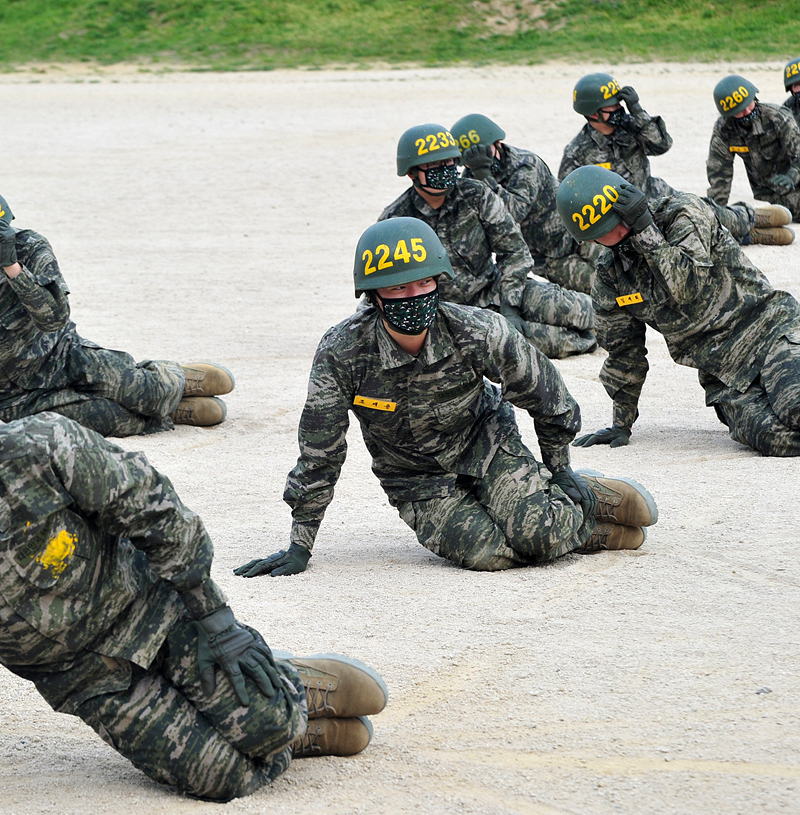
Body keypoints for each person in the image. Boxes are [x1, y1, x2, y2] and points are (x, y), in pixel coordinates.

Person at [0, 357, 389, 815]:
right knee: (222, 780)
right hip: (85, 677)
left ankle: (297, 691)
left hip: (159, 612)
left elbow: (154, 508)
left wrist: (217, 621)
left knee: (265, 721)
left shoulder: (40, 446)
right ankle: (286, 731)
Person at [234, 218, 658, 579]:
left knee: (538, 534)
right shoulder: (342, 351)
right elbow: (320, 450)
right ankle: (581, 527)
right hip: (415, 478)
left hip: (488, 448)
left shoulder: (476, 330)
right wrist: (300, 543)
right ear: (374, 295)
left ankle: (577, 494)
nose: (413, 297)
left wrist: (560, 468)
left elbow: (548, 396)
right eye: (397, 290)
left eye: (423, 283)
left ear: (440, 282)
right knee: (487, 555)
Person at [557, 166, 800, 456]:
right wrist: (621, 420)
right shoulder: (611, 276)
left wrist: (645, 232)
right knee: (768, 436)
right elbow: (623, 351)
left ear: (628, 204)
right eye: (598, 234)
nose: (612, 236)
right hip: (724, 371)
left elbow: (688, 287)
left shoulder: (682, 214)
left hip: (771, 332)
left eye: (614, 223)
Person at [0, 178, 235, 436]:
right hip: (9, 396)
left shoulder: (30, 247)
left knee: (146, 392)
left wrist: (13, 269)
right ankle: (168, 413)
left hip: (64, 357)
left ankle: (173, 380)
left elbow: (55, 318)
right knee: (108, 420)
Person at [377, 124, 596, 358]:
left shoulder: (476, 195)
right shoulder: (396, 221)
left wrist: (510, 305)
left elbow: (514, 251)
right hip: (454, 313)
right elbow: (382, 286)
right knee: (545, 343)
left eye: (450, 162)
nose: (444, 170)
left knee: (585, 311)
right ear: (411, 173)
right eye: (433, 166)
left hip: (498, 288)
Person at [561, 73, 793, 245]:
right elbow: (572, 201)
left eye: (620, 104)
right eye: (611, 107)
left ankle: (749, 216)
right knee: (680, 238)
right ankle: (749, 236)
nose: (618, 110)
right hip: (622, 220)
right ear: (593, 113)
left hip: (654, 194)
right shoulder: (577, 152)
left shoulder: (630, 127)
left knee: (699, 210)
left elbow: (662, 144)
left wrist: (637, 111)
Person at [451, 113, 592, 294]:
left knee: (617, 277)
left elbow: (514, 212)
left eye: (484, 154)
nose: (478, 162)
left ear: (498, 145)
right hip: (548, 257)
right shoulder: (473, 180)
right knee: (595, 288)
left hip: (580, 234)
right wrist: (482, 176)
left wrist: (485, 177)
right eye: (470, 162)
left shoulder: (526, 164)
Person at [708, 75, 800, 223]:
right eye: (740, 110)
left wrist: (791, 176)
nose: (748, 111)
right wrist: (717, 211)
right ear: (729, 114)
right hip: (773, 188)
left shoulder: (776, 116)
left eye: (750, 104)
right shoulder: (724, 130)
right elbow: (719, 172)